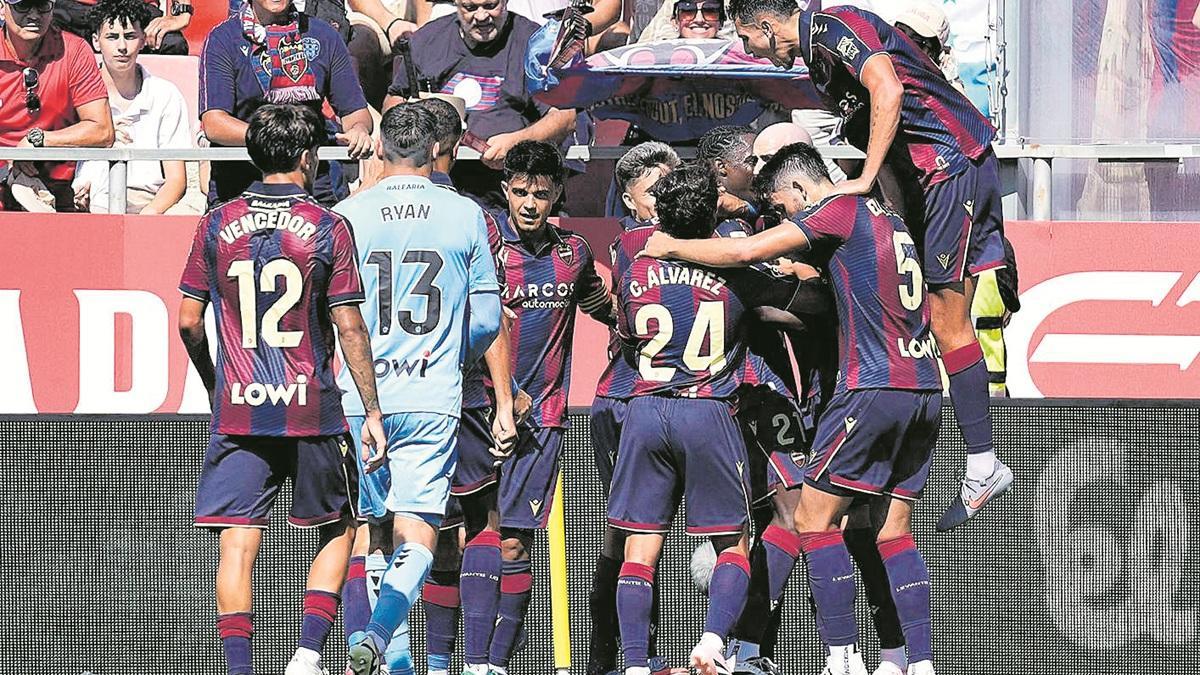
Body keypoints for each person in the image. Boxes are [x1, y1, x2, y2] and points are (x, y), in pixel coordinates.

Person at [643, 143, 943, 675]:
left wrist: (671, 246)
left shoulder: (835, 209)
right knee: (892, 529)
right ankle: (912, 661)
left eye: (785, 209)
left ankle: (840, 658)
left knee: (810, 518)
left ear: (804, 190)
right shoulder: (887, 216)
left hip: (870, 385)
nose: (788, 220)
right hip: (922, 385)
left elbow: (741, 254)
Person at [726, 0, 1012, 530]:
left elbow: (890, 89)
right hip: (931, 177)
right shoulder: (820, 62)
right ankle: (976, 461)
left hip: (949, 165)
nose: (750, 52)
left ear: (766, 26)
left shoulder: (835, 25)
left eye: (747, 40)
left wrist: (862, 179)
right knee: (937, 315)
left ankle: (982, 462)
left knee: (946, 317)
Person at [177, 103, 386, 675]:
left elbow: (189, 321)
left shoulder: (216, 222)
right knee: (341, 525)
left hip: (241, 410)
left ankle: (241, 667)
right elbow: (348, 324)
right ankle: (306, 655)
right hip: (311, 408)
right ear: (304, 156)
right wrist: (370, 409)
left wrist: (217, 383)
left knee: (238, 541)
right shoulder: (328, 226)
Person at [609, 162, 823, 675]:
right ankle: (712, 645)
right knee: (734, 542)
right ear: (711, 213)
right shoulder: (734, 269)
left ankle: (637, 664)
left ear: (658, 208)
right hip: (708, 408)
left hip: (644, 406)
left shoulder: (630, 255)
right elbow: (804, 305)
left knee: (639, 547)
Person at [329, 103, 502, 675]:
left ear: (380, 150)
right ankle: (382, 637)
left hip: (363, 395)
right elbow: (485, 320)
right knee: (422, 530)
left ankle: (393, 659)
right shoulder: (465, 214)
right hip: (433, 393)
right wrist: (453, 357)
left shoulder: (348, 214)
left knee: (373, 529)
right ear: (434, 152)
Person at [451, 140, 614, 675]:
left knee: (517, 544)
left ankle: (494, 662)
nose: (529, 204)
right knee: (472, 534)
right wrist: (501, 394)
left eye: (540, 195)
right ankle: (458, 656)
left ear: (557, 194)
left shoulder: (574, 253)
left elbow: (601, 305)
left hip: (543, 418)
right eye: (520, 192)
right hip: (476, 411)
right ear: (505, 190)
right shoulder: (483, 246)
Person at [588, 141, 679, 675]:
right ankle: (616, 657)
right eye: (653, 192)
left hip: (667, 400)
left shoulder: (664, 237)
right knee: (631, 536)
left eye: (671, 188)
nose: (665, 200)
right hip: (628, 401)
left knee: (639, 537)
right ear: (629, 199)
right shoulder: (640, 242)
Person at [382, 0, 580, 210]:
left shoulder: (533, 41)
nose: (482, 16)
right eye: (470, 8)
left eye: (490, 5)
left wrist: (517, 143)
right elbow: (395, 99)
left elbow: (564, 117)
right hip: (434, 191)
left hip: (509, 194)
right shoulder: (428, 39)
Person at [200, 0, 374, 207]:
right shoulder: (223, 38)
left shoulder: (323, 35)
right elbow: (215, 124)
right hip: (241, 186)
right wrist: (282, 138)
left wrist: (359, 129)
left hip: (312, 185)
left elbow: (355, 111)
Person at [72, 0, 191, 214]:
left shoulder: (166, 94)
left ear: (144, 40)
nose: (122, 47)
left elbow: (176, 179)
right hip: (91, 200)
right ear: (95, 41)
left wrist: (149, 215)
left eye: (130, 36)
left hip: (150, 202)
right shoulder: (77, 91)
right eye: (111, 37)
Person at [1, 0, 114, 212]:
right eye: (23, 6)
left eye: (42, 5)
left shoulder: (75, 50)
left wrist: (38, 141)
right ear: (1, 7)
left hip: (60, 190)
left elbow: (103, 131)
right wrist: (11, 164)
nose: (34, 14)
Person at [54, 0, 191, 54]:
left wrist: (182, 13)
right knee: (40, 32)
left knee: (172, 44)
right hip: (77, 10)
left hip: (137, 9)